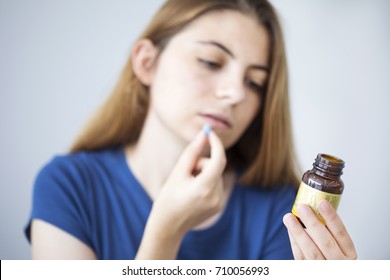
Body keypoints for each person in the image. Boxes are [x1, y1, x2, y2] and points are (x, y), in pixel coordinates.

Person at [24, 0, 357, 260]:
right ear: (146, 62)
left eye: (255, 83)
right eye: (212, 62)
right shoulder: (67, 186)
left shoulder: (279, 208)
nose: (237, 93)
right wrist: (165, 234)